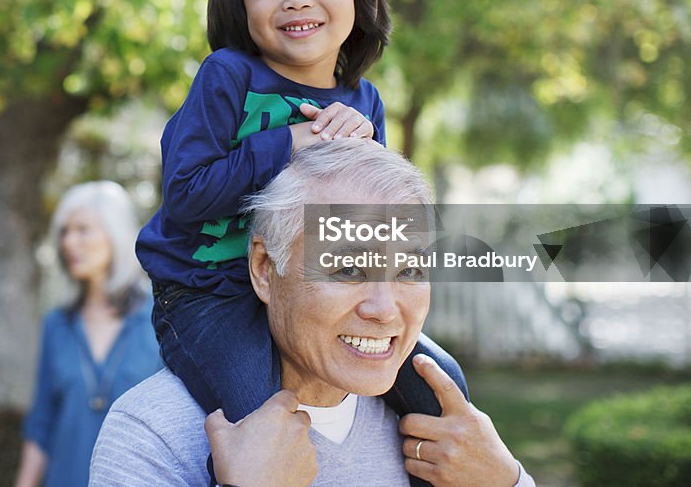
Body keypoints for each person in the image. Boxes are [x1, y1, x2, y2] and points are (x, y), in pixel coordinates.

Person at [135, 0, 466, 483]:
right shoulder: (228, 77)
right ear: (240, 1)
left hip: (310, 294)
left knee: (442, 385)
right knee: (260, 411)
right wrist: (287, 144)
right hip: (209, 292)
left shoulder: (364, 102)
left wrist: (361, 153)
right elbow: (185, 195)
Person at [91, 139, 535, 487]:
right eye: (347, 268)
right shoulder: (156, 431)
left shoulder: (449, 435)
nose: (384, 309)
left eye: (411, 268)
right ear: (265, 269)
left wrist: (507, 481)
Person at [14, 181, 163, 487]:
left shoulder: (161, 317)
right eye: (64, 232)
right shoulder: (56, 324)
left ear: (115, 235)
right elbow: (41, 425)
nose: (69, 242)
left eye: (83, 230)